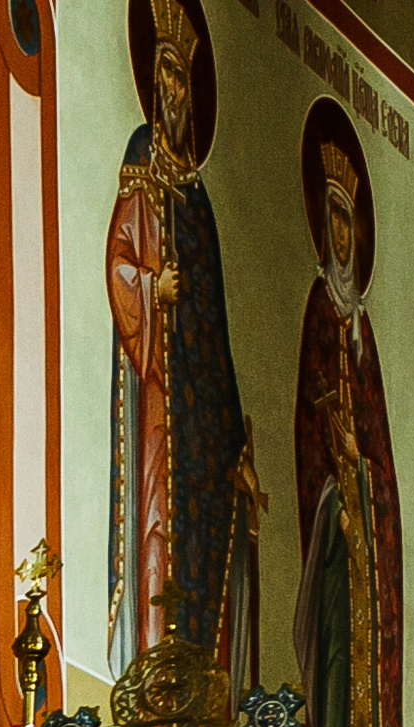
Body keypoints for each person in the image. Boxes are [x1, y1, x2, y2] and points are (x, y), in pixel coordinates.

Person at [106, 0, 258, 688]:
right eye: (164, 74)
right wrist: (150, 289)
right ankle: (157, 679)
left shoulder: (199, 198)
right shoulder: (143, 158)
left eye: (180, 80)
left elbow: (220, 333)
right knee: (162, 533)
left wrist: (235, 449)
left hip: (202, 417)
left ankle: (196, 689)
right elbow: (119, 257)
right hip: (162, 401)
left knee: (201, 553)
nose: (171, 91)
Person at [293, 115, 404, 727]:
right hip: (338, 584)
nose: (339, 231)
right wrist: (339, 495)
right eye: (328, 214)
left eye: (349, 216)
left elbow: (390, 472)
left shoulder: (363, 328)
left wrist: (370, 491)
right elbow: (311, 448)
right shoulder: (319, 324)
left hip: (376, 599)